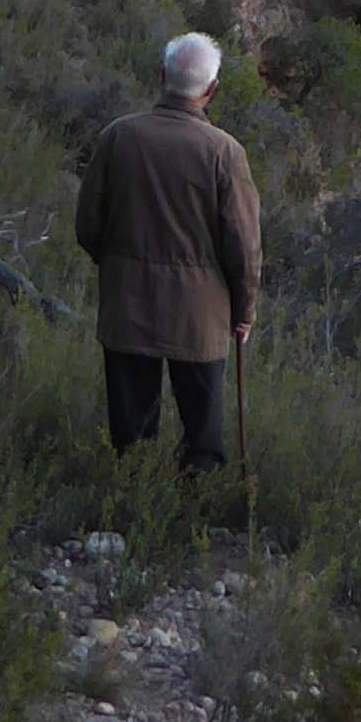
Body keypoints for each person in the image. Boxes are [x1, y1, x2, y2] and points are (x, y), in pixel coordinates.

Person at [77, 32, 267, 468]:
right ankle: (194, 524)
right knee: (203, 442)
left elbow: (88, 224)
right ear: (212, 89)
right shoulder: (225, 153)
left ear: (162, 76)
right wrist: (244, 312)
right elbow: (244, 246)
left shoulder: (117, 137)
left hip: (127, 305)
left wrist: (118, 266)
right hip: (200, 320)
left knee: (132, 438)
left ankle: (130, 513)